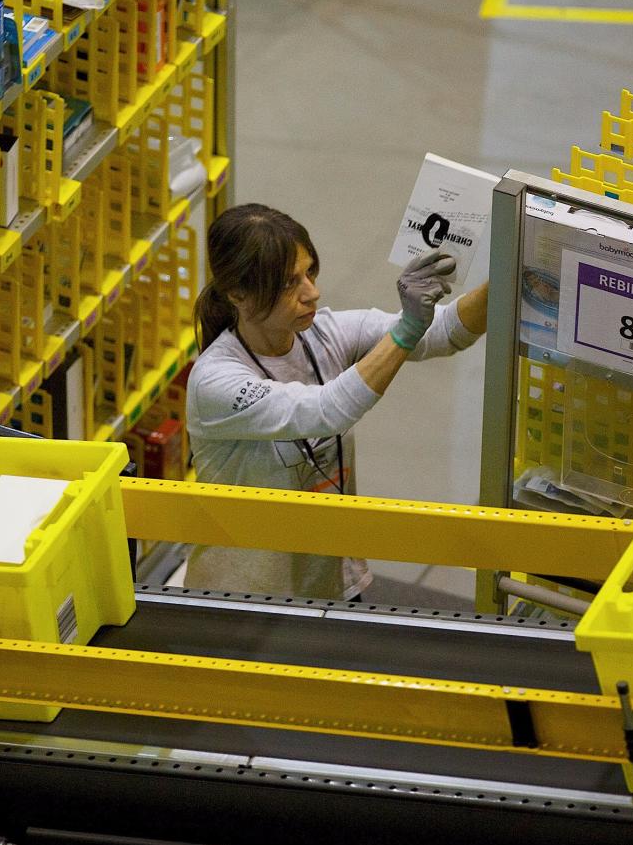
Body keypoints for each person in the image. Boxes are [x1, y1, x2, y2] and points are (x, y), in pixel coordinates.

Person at [185, 203, 488, 600]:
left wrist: (509, 273)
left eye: (310, 272)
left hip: (331, 585)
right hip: (245, 602)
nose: (313, 292)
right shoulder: (216, 380)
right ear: (238, 294)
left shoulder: (326, 333)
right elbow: (327, 410)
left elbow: (446, 332)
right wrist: (408, 328)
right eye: (288, 284)